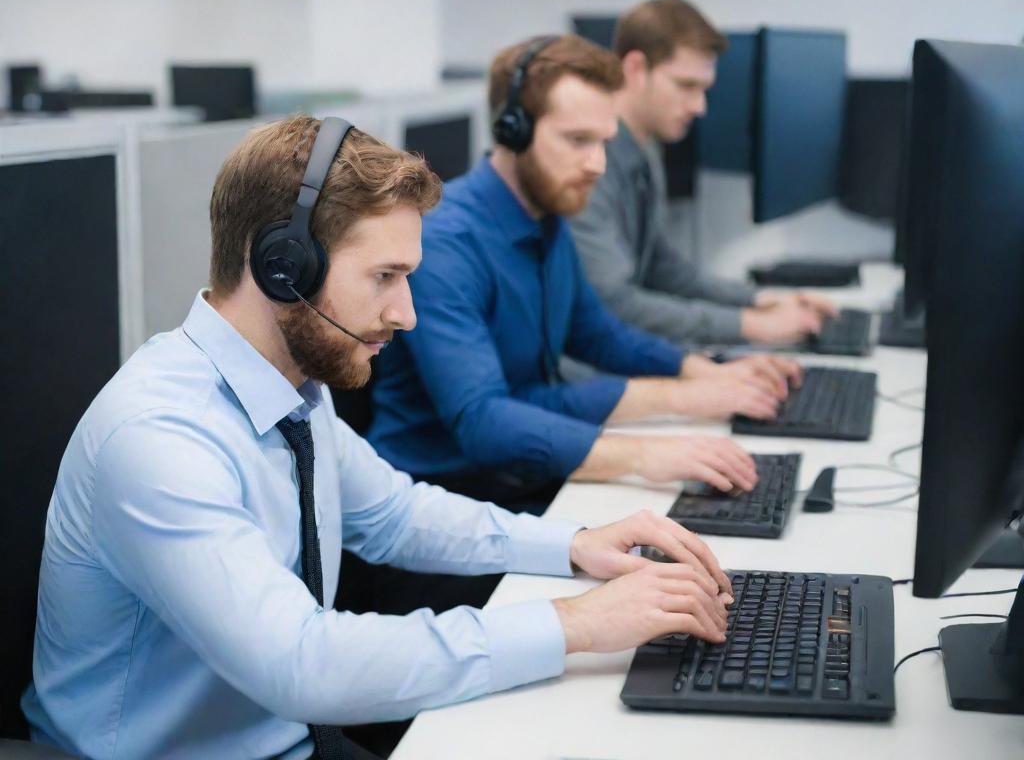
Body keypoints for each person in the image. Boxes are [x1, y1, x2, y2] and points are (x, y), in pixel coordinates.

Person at [22, 116, 736, 760]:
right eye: (385, 277)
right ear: (283, 267)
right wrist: (573, 624)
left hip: (285, 740)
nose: (408, 313)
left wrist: (574, 543)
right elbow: (299, 664)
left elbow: (395, 515)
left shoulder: (292, 389)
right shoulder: (159, 438)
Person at [370, 35, 799, 515]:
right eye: (578, 140)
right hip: (443, 510)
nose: (597, 164)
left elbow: (596, 333)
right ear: (513, 131)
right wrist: (649, 450)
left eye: (604, 142)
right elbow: (484, 420)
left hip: (519, 480)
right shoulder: (446, 244)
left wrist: (705, 372)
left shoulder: (547, 215)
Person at [569, 0, 838, 346]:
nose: (699, 107)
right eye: (686, 86)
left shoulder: (644, 148)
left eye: (703, 89)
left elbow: (662, 269)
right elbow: (612, 304)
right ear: (635, 68)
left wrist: (758, 300)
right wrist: (751, 326)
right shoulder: (587, 163)